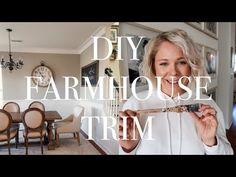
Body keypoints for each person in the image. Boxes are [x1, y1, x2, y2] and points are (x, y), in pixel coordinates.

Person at [118, 29, 233, 154]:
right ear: (153, 67)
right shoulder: (135, 105)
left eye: (182, 62)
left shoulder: (207, 106)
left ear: (191, 66)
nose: (173, 72)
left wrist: (211, 142)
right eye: (164, 64)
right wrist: (128, 148)